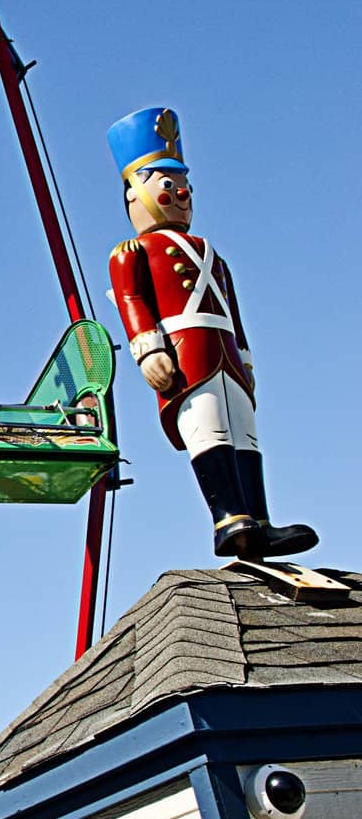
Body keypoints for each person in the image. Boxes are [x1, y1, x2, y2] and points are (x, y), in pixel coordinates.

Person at [106, 106, 316, 558]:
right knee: (208, 430)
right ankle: (229, 518)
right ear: (133, 195)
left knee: (245, 433)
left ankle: (259, 519)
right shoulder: (132, 251)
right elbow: (133, 301)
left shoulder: (213, 254)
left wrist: (247, 358)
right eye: (166, 185)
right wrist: (147, 349)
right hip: (187, 352)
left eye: (184, 185)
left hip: (223, 352)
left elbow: (233, 311)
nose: (180, 193)